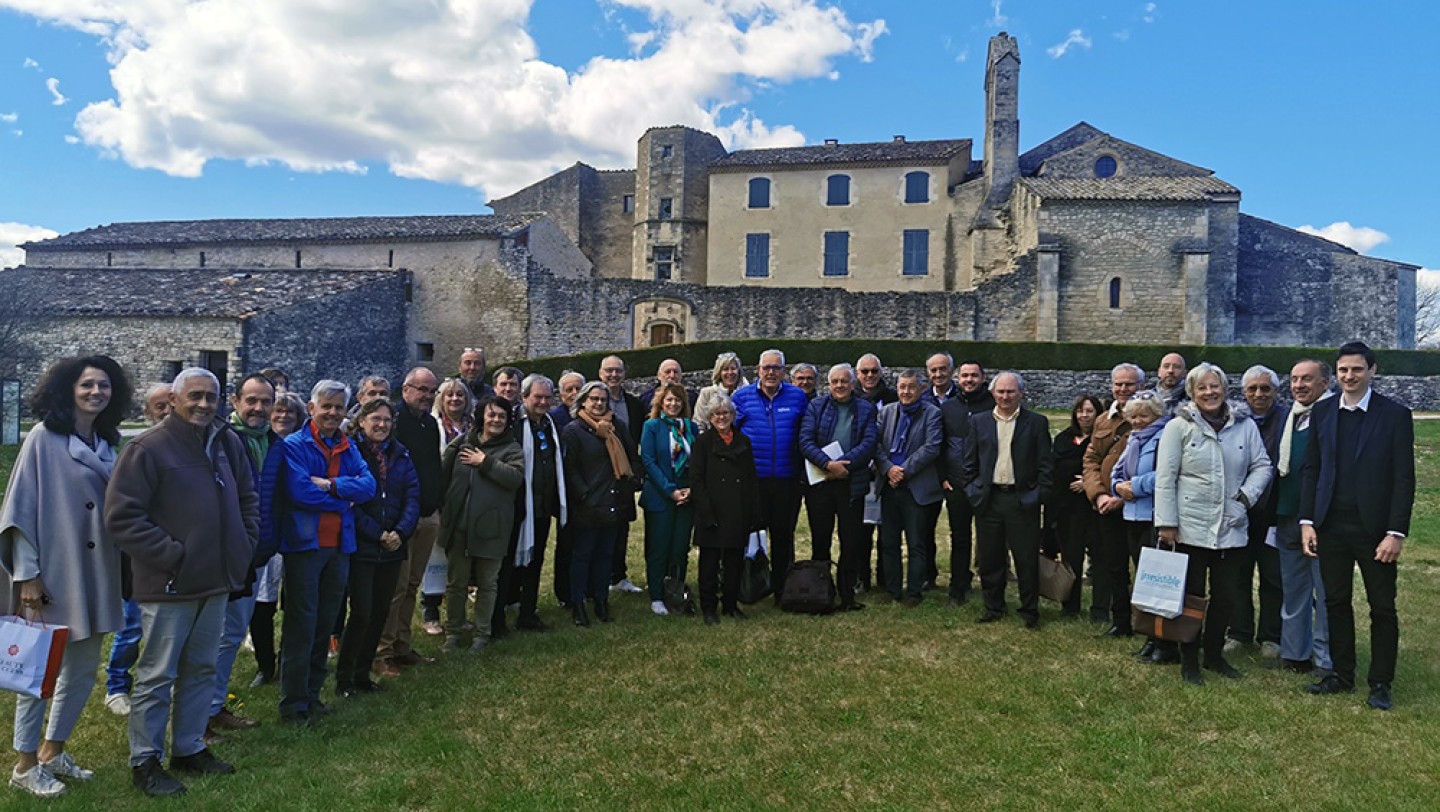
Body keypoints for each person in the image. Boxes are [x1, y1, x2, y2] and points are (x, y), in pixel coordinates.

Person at [107, 367, 258, 796]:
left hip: (215, 581)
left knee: (201, 668)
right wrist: (175, 556)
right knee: (156, 675)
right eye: (194, 396)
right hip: (169, 585)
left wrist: (243, 544)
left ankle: (189, 747)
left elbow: (248, 497)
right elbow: (122, 517)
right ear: (174, 399)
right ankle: (145, 760)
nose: (203, 404)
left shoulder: (227, 441)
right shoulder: (147, 449)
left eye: (211, 397)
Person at [2, 356, 130, 798]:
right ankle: (23, 765)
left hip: (95, 572)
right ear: (67, 389)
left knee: (81, 672)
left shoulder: (106, 442)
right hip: (53, 573)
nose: (97, 392)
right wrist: (28, 577)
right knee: (40, 672)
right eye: (87, 385)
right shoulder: (43, 439)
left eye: (105, 385)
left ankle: (52, 752)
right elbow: (18, 510)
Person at [1300, 342, 1414, 710]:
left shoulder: (1394, 415)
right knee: (1335, 602)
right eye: (1344, 370)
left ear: (1372, 371)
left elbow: (1403, 478)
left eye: (1357, 370)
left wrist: (1395, 532)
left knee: (1382, 607)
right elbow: (1312, 470)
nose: (1350, 376)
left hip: (1375, 530)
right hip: (1330, 526)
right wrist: (1307, 522)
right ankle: (1341, 674)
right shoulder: (1322, 412)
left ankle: (1381, 683)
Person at [1153, 363, 1271, 686]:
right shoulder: (1179, 427)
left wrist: (1245, 498)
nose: (1209, 392)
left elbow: (1262, 465)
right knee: (1191, 596)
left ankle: (1215, 656)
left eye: (1214, 386)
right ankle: (1189, 660)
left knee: (1226, 596)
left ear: (1224, 389)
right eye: (1202, 387)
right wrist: (1166, 522)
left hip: (1231, 525)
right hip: (1189, 527)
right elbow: (1165, 478)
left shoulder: (1244, 427)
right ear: (1192, 392)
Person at [271, 380, 376, 725]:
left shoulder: (347, 446)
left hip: (339, 548)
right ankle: (293, 703)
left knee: (326, 622)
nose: (332, 413)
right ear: (312, 408)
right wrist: (344, 499)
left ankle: (313, 695)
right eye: (326, 406)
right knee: (302, 623)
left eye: (339, 407)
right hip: (306, 546)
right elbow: (300, 492)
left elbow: (369, 485)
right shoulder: (294, 445)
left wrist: (331, 485)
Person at [206, 373, 277, 741]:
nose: (258, 408)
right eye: (251, 400)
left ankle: (214, 707)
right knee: (215, 636)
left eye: (265, 401)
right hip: (224, 554)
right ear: (234, 402)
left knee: (232, 633)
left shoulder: (273, 442)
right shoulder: (221, 441)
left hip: (256, 555)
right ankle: (199, 717)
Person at [337, 398, 418, 695]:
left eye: (387, 420)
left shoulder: (401, 454)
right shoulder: (351, 453)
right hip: (363, 546)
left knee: (381, 611)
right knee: (361, 613)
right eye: (376, 419)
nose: (382, 425)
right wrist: (378, 534)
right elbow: (349, 502)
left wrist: (400, 532)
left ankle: (363, 674)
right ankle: (345, 678)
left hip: (393, 546)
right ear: (362, 421)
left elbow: (412, 496)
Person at [963, 372, 1052, 629]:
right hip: (989, 500)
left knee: (1026, 559)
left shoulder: (1036, 423)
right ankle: (993, 607)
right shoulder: (979, 422)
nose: (1005, 396)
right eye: (1001, 391)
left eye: (1011, 392)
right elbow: (969, 461)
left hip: (1021, 500)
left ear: (1021, 393)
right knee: (990, 558)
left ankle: (1029, 611)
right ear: (993, 393)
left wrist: (1035, 497)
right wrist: (973, 490)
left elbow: (1046, 467)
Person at [105, 383, 171, 717]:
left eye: (170, 404)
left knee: (166, 630)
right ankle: (117, 685)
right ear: (148, 412)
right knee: (131, 627)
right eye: (159, 406)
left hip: (174, 556)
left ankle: (159, 683)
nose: (166, 412)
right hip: (141, 555)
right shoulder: (138, 450)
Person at [440, 397, 525, 651]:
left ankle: (481, 634)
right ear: (481, 417)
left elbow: (515, 479)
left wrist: (485, 462)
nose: (496, 420)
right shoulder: (463, 442)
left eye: (501, 416)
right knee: (456, 584)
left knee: (487, 584)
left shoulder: (512, 449)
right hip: (459, 528)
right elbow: (443, 473)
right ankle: (453, 632)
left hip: (492, 529)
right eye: (491, 415)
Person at [376, 368, 443, 677]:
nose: (427, 396)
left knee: (412, 584)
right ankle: (382, 652)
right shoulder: (395, 423)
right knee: (396, 587)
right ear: (406, 390)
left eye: (432, 391)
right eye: (422, 390)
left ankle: (402, 645)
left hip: (428, 514)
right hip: (402, 518)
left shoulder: (430, 424)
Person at [798, 364, 877, 611]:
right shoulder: (816, 407)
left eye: (844, 381)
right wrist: (828, 464)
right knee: (820, 541)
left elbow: (869, 442)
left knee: (850, 541)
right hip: (821, 484)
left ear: (852, 383)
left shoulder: (866, 408)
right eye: (835, 382)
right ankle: (821, 593)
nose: (840, 386)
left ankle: (847, 595)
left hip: (851, 484)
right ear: (828, 384)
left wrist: (846, 466)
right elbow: (805, 440)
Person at [1271, 359, 1332, 676]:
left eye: (1307, 379)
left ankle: (1326, 657)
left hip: (1322, 519)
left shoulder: (1334, 416)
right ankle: (1295, 653)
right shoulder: (1290, 417)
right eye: (1294, 379)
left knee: (1325, 591)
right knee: (1293, 588)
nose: (1298, 385)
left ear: (1325, 383)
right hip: (1288, 514)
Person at [732, 349, 809, 599]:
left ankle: (781, 589)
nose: (771, 373)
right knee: (746, 533)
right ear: (758, 370)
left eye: (776, 368)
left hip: (787, 479)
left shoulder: (797, 397)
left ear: (784, 371)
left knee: (783, 536)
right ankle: (745, 585)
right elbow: (729, 433)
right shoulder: (741, 397)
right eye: (767, 368)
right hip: (753, 480)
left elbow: (806, 433)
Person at [562, 382, 641, 626]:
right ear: (583, 401)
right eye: (593, 399)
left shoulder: (617, 428)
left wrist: (631, 484)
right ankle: (578, 604)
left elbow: (631, 456)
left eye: (603, 400)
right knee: (583, 554)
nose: (598, 404)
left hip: (613, 500)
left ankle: (601, 600)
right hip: (587, 503)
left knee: (606, 554)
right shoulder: (573, 431)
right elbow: (570, 468)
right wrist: (583, 494)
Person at [1228, 365, 1288, 658]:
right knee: (1238, 575)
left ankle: (1271, 637)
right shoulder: (1234, 421)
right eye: (1252, 389)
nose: (1259, 394)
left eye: (1265, 388)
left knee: (1273, 577)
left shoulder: (1288, 420)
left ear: (1276, 391)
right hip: (1241, 512)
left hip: (1274, 514)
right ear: (1243, 392)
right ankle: (1239, 632)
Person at [1108, 391, 1172, 663]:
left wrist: (1134, 486)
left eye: (1143, 415)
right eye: (1132, 416)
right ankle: (1149, 636)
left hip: (1154, 517)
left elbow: (1167, 472)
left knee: (1158, 584)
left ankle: (1164, 641)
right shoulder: (1132, 439)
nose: (1137, 421)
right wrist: (1117, 487)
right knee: (1143, 582)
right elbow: (1116, 471)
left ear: (1156, 415)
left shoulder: (1165, 436)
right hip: (1131, 517)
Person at [249, 391, 307, 688]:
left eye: (290, 413)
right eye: (278, 411)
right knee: (262, 605)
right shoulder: (262, 447)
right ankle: (265, 663)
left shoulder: (302, 448)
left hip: (297, 534)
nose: (284, 416)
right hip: (267, 534)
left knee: (294, 603)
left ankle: (289, 659)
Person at [690, 393, 762, 625]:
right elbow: (696, 479)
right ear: (710, 418)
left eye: (726, 413)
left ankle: (731, 604)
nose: (722, 417)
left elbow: (751, 479)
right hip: (711, 510)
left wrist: (752, 512)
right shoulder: (702, 443)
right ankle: (709, 608)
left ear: (733, 416)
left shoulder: (744, 442)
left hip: (737, 510)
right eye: (717, 414)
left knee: (734, 563)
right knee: (709, 565)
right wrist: (705, 511)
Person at [1084, 362, 1144, 638]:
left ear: (1140, 386)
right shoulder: (1103, 420)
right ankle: (1121, 622)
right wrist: (1098, 495)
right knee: (1114, 565)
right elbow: (1091, 459)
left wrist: (1120, 496)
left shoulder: (1150, 417)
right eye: (1118, 384)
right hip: (1105, 506)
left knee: (1144, 567)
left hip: (1138, 507)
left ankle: (1146, 625)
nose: (1123, 389)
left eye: (1129, 384)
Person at [874, 370, 943, 607]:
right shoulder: (886, 411)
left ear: (921, 389)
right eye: (902, 386)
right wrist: (888, 469)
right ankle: (892, 590)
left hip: (916, 486)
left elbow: (931, 447)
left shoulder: (932, 414)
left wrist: (902, 470)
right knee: (889, 542)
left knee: (916, 543)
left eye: (911, 387)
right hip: (889, 486)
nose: (906, 391)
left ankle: (914, 592)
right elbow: (876, 444)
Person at [418, 377, 474, 636]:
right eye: (449, 395)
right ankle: (430, 612)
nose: (454, 399)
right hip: (442, 497)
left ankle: (457, 613)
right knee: (435, 557)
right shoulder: (434, 425)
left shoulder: (473, 426)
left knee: (461, 559)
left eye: (460, 395)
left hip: (469, 500)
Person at [511, 374, 566, 630]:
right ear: (524, 397)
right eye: (537, 397)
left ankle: (528, 612)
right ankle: (501, 611)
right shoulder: (513, 423)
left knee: (535, 560)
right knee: (510, 561)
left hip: (542, 505)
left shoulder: (549, 424)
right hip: (518, 505)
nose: (543, 402)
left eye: (547, 397)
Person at [639, 383, 698, 616]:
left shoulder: (691, 427)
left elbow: (698, 461)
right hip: (661, 496)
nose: (673, 404)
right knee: (659, 548)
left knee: (680, 548)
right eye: (669, 400)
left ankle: (676, 591)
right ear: (661, 403)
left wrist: (691, 489)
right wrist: (670, 490)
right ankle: (656, 595)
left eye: (678, 401)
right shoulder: (652, 426)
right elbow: (649, 462)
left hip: (686, 497)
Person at [1048, 394, 1106, 620]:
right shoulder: (1063, 439)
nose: (1084, 416)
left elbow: (1109, 467)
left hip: (1094, 508)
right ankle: (1070, 607)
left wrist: (1089, 483)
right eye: (1080, 411)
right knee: (1071, 558)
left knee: (1100, 560)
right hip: (1068, 510)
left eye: (1090, 411)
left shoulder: (1103, 439)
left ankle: (1100, 609)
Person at [598, 355, 645, 594]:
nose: (613, 375)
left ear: (624, 374)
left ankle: (619, 576)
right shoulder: (594, 402)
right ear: (600, 373)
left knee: (623, 528)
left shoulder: (633, 404)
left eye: (618, 371)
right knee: (600, 529)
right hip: (600, 475)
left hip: (624, 473)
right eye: (609, 371)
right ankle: (600, 577)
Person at [548, 371, 583, 604]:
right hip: (565, 489)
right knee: (567, 542)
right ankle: (564, 592)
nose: (573, 393)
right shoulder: (554, 418)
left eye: (577, 389)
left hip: (589, 488)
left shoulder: (589, 415)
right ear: (560, 394)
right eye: (568, 389)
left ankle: (584, 587)